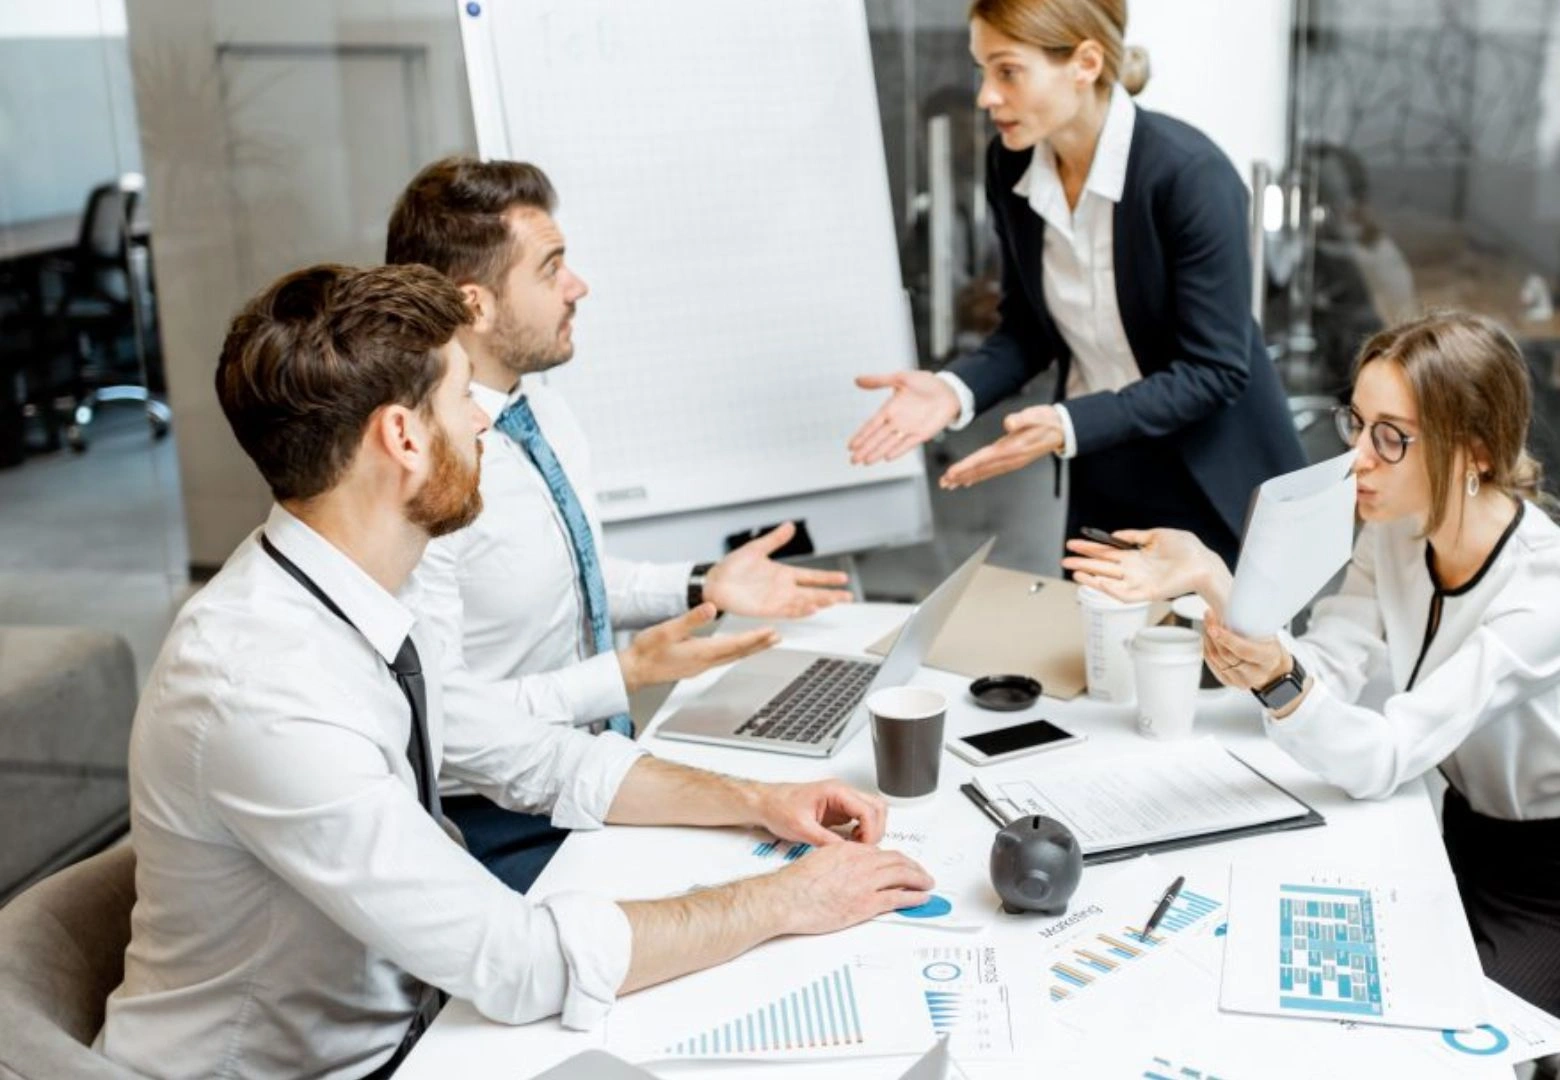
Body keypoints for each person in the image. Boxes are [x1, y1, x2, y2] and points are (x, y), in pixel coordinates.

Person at [98, 264, 932, 1079]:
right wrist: (783, 903)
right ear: (404, 436)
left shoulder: (353, 586)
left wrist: (758, 803)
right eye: (464, 397)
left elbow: (539, 757)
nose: (485, 425)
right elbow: (518, 962)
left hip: (423, 1025)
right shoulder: (262, 688)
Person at [1062, 311, 1560, 1019]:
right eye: (1357, 423)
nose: (1359, 459)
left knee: (1432, 1040)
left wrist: (1273, 678)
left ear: (1475, 451)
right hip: (1468, 842)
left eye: (1393, 438)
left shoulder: (1553, 584)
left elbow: (1385, 753)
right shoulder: (1397, 536)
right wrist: (1211, 578)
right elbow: (1325, 668)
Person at [386, 157, 856, 892]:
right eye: (551, 269)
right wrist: (621, 676)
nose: (578, 286)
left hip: (601, 772)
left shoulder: (540, 407)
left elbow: (568, 578)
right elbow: (440, 726)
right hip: (499, 820)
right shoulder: (431, 469)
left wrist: (703, 584)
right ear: (473, 305)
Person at [847, 0, 1305, 566]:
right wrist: (953, 390)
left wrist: (1065, 423)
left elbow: (1215, 369)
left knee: (1224, 654)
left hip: (1215, 480)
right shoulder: (1011, 164)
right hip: (1104, 468)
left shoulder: (1190, 175)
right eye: (982, 71)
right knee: (1096, 651)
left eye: (1008, 71)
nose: (986, 96)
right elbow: (1028, 331)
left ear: (1085, 62)